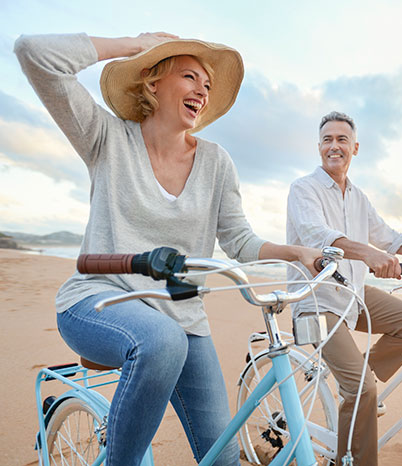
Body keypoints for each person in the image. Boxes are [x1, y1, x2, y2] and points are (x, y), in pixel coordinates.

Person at [15, 32, 320, 466]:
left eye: (208, 85)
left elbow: (238, 240)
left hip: (183, 318)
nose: (202, 90)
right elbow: (35, 55)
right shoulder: (106, 138)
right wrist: (129, 45)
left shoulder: (217, 162)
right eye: (190, 76)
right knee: (161, 341)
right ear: (152, 83)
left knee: (223, 457)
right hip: (98, 300)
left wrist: (296, 253)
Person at [286, 111, 402, 465]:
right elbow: (318, 237)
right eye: (327, 140)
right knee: (362, 390)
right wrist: (368, 254)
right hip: (315, 300)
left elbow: (390, 238)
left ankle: (357, 378)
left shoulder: (358, 196)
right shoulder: (303, 189)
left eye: (341, 140)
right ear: (319, 147)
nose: (333, 146)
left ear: (355, 147)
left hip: (351, 293)